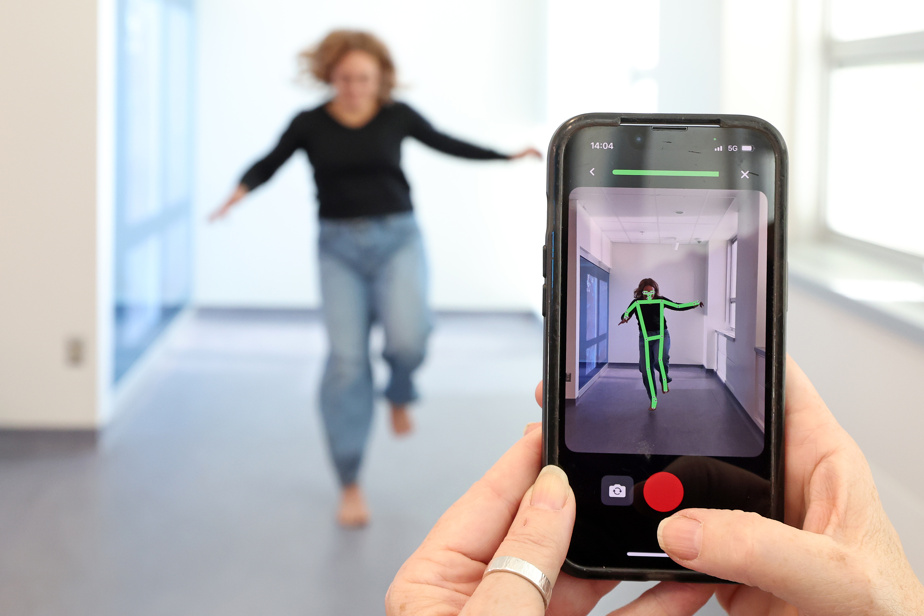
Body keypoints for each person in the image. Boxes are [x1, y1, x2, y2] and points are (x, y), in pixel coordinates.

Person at [209, 30, 540, 527]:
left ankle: (400, 391)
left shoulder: (396, 115)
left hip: (397, 240)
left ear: (380, 78)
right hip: (338, 249)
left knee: (409, 339)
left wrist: (507, 155)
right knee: (346, 363)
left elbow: (446, 142)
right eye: (345, 78)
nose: (355, 88)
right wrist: (238, 193)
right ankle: (349, 480)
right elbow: (269, 163)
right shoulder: (308, 123)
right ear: (330, 76)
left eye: (364, 78)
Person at [386, 356, 924, 615]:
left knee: (656, 367)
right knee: (649, 372)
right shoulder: (642, 305)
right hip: (646, 343)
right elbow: (634, 311)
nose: (647, 294)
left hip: (657, 340)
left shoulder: (657, 305)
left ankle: (658, 385)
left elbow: (671, 306)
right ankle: (653, 387)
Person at [618, 278, 703, 410]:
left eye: (651, 292)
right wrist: (625, 318)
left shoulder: (661, 300)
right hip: (644, 337)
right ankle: (653, 398)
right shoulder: (637, 302)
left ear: (655, 291)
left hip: (661, 335)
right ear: (641, 292)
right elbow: (626, 313)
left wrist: (695, 304)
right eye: (646, 292)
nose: (649, 295)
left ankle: (665, 378)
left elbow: (677, 306)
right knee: (645, 371)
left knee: (660, 359)